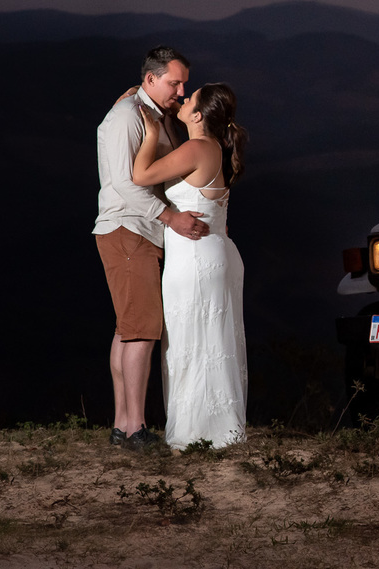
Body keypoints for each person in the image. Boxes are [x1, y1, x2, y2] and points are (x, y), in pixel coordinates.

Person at [94, 46, 210, 453]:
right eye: (174, 82)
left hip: (137, 231)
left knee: (129, 328)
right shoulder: (127, 116)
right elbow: (127, 185)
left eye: (183, 83)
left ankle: (123, 425)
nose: (181, 90)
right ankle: (135, 428)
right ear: (150, 79)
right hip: (129, 228)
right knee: (142, 330)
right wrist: (170, 217)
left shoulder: (148, 114)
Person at [132, 82, 249, 449]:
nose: (182, 99)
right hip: (215, 252)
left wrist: (150, 134)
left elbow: (141, 176)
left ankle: (195, 434)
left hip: (195, 258)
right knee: (212, 339)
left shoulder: (197, 147)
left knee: (189, 341)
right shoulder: (215, 149)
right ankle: (216, 431)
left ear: (198, 116)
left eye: (190, 99)